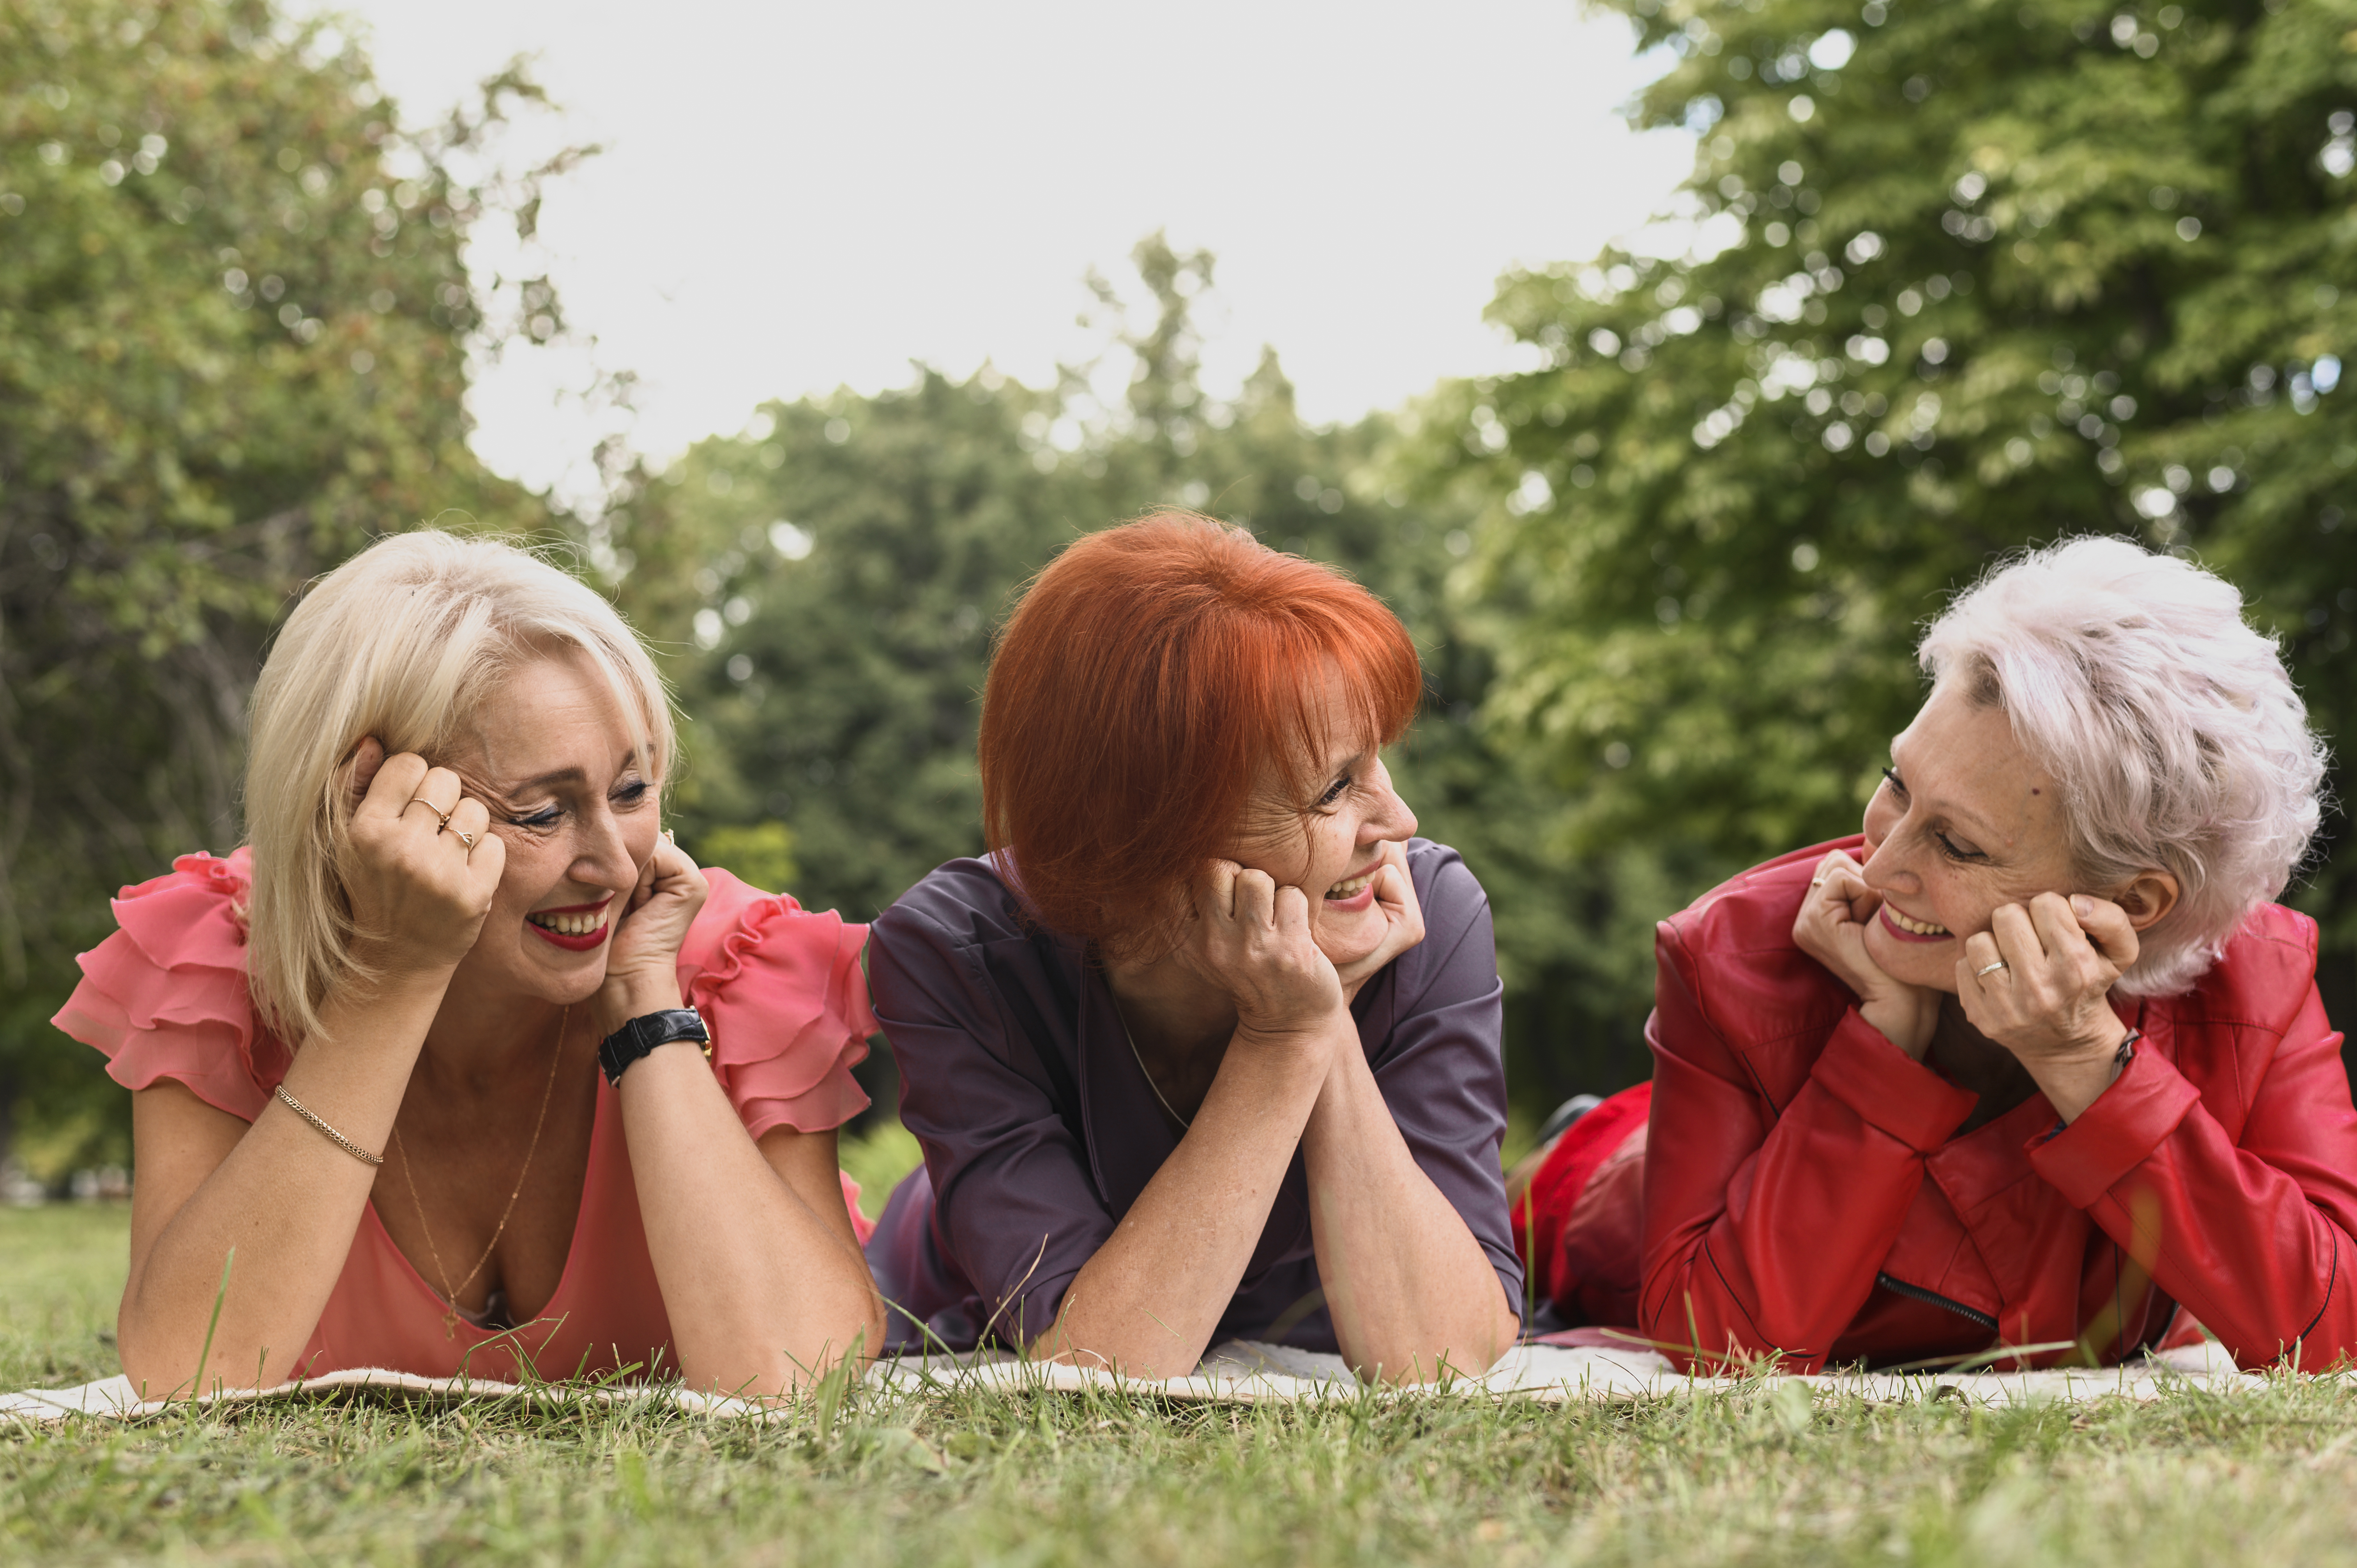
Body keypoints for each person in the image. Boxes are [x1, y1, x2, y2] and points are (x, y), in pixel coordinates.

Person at [55, 531, 883, 1398]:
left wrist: (646, 1006)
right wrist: (391, 975)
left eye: (631, 791)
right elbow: (188, 1369)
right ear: (362, 802)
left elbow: (803, 1377)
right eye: (541, 813)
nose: (614, 863)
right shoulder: (219, 957)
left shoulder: (728, 962)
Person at [1516, 537, 2357, 1373]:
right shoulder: (1728, 950)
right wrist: (1884, 1047)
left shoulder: (2261, 979)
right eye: (1898, 782)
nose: (1877, 869)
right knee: (1574, 1184)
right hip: (1605, 1200)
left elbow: (2336, 1326)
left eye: (1956, 844)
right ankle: (1572, 1136)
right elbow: (1721, 1345)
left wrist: (2083, 1057)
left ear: (2132, 905)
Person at [863, 514, 1521, 1383]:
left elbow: (1442, 1356)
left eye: (1379, 762)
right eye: (1334, 788)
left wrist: (1322, 1028)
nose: (1397, 822)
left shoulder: (1424, 910)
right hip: (967, 1312)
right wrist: (1282, 1037)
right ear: (1153, 837)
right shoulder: (953, 951)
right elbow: (1099, 1364)